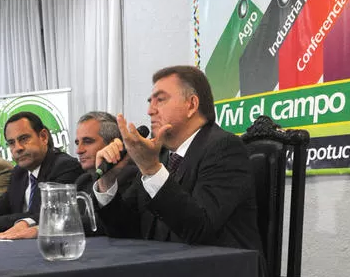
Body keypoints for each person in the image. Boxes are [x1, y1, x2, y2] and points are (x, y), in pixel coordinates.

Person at [93, 66, 262, 253]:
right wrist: (107, 182)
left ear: (191, 104)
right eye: (150, 102)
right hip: (168, 270)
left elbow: (200, 229)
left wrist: (151, 169)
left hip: (217, 275)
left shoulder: (225, 149)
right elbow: (126, 231)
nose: (150, 110)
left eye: (160, 100)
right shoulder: (163, 155)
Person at [0, 111, 82, 238]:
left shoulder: (64, 166)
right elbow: (2, 207)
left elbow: (45, 214)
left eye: (24, 139)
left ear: (43, 137)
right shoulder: (19, 172)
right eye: (11, 143)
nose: (18, 148)